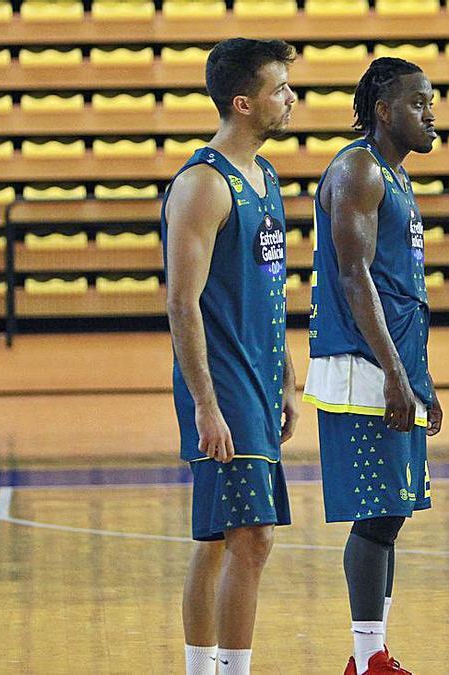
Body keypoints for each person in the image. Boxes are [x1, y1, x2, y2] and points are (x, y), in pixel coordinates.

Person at [161, 38, 300, 675]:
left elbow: (269, 288)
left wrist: (288, 377)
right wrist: (205, 405)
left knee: (219, 537)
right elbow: (181, 304)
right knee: (252, 536)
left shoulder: (264, 176)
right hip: (223, 386)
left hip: (259, 378)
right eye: (279, 89)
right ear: (243, 104)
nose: (291, 98)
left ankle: (204, 669)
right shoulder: (202, 186)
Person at [301, 57, 442, 675]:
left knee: (392, 514)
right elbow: (355, 277)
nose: (430, 113)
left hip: (394, 363)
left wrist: (420, 378)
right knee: (377, 516)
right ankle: (364, 658)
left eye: (432, 101)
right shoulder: (359, 168)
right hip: (363, 363)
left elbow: (399, 287)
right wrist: (393, 372)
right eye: (417, 103)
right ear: (383, 110)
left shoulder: (396, 176)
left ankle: (373, 653)